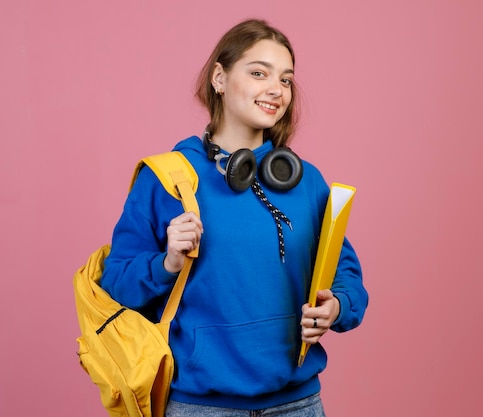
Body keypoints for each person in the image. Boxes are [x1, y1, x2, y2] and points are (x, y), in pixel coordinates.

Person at [101, 18, 368, 416]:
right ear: (219, 79)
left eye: (286, 79)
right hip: (201, 406)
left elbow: (346, 274)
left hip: (297, 404)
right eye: (259, 73)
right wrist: (167, 263)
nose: (276, 90)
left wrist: (337, 305)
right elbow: (117, 283)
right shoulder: (167, 178)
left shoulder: (306, 181)